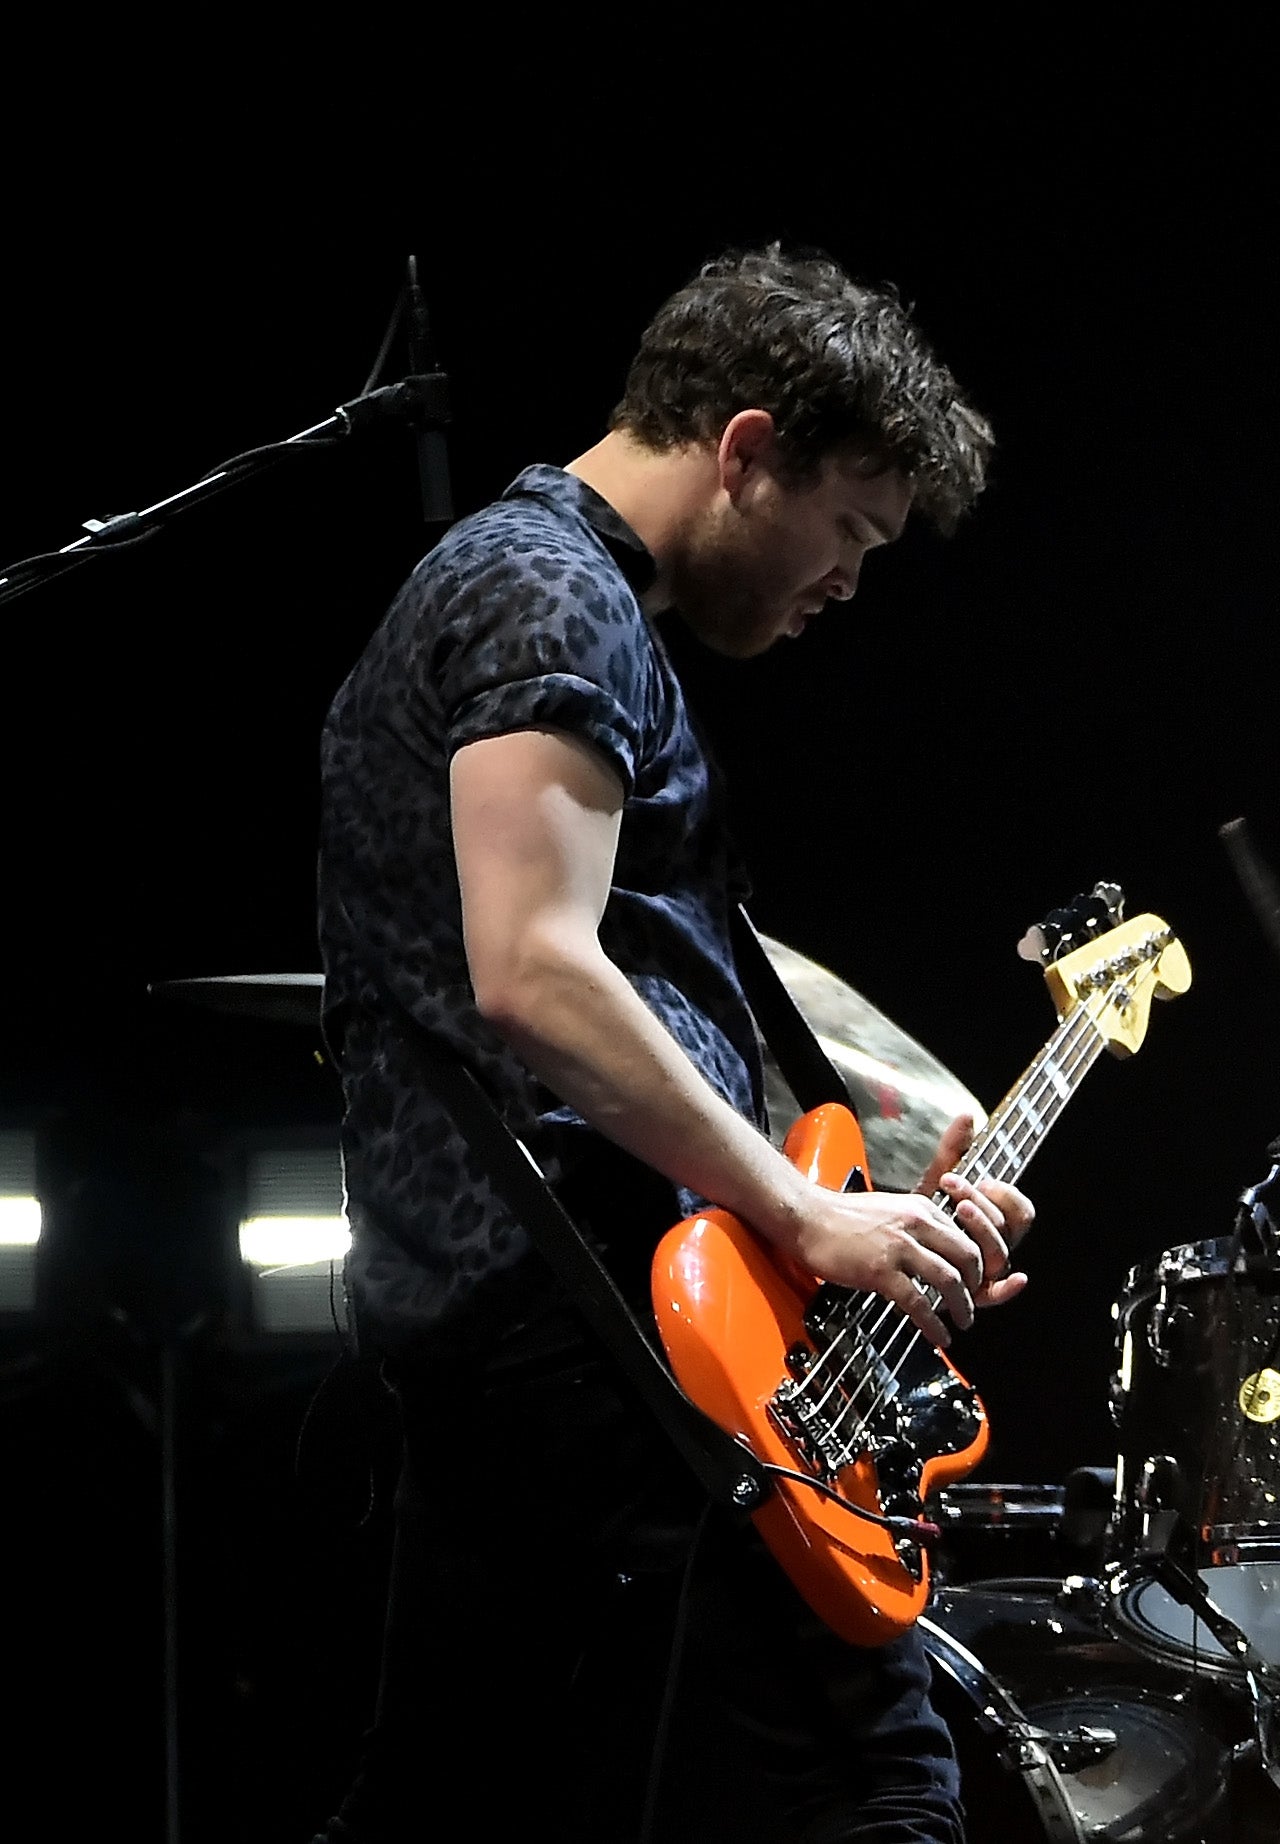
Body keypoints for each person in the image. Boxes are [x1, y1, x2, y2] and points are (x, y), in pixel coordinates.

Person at [314, 248, 1027, 1842]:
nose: (849, 581)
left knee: (458, 1792)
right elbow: (537, 975)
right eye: (848, 529)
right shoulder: (546, 586)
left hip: (541, 1311)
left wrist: (880, 1194)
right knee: (874, 1785)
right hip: (588, 1327)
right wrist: (802, 1211)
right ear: (748, 450)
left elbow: (648, 978)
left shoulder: (560, 593)